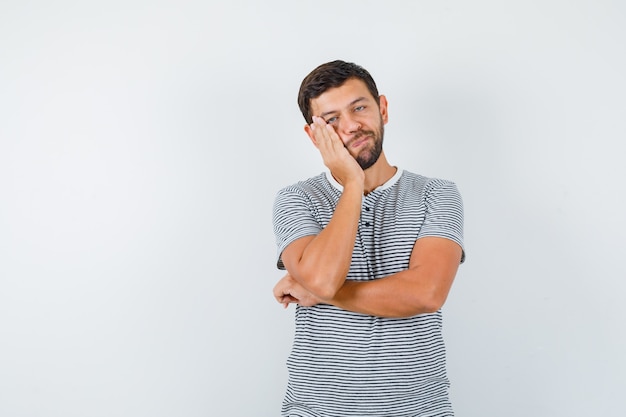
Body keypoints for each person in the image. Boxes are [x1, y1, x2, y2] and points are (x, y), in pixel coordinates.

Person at [272, 60, 465, 417]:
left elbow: (426, 293)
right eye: (331, 120)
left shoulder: (436, 194)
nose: (351, 126)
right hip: (316, 410)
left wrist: (320, 291)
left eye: (359, 107)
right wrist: (353, 184)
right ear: (314, 136)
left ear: (383, 109)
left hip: (419, 410)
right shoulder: (297, 199)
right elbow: (323, 277)